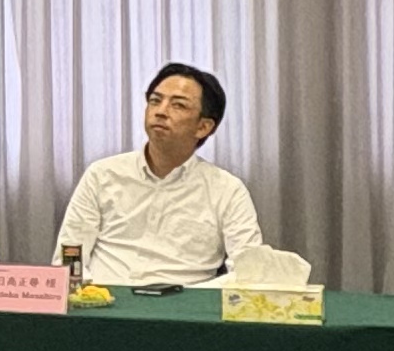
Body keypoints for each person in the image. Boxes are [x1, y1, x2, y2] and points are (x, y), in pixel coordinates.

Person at [53, 64, 265, 286]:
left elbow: (249, 271)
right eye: (155, 101)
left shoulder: (228, 190)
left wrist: (195, 296)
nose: (160, 111)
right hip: (104, 299)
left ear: (203, 127)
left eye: (178, 105)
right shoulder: (102, 174)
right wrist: (89, 295)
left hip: (184, 303)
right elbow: (70, 255)